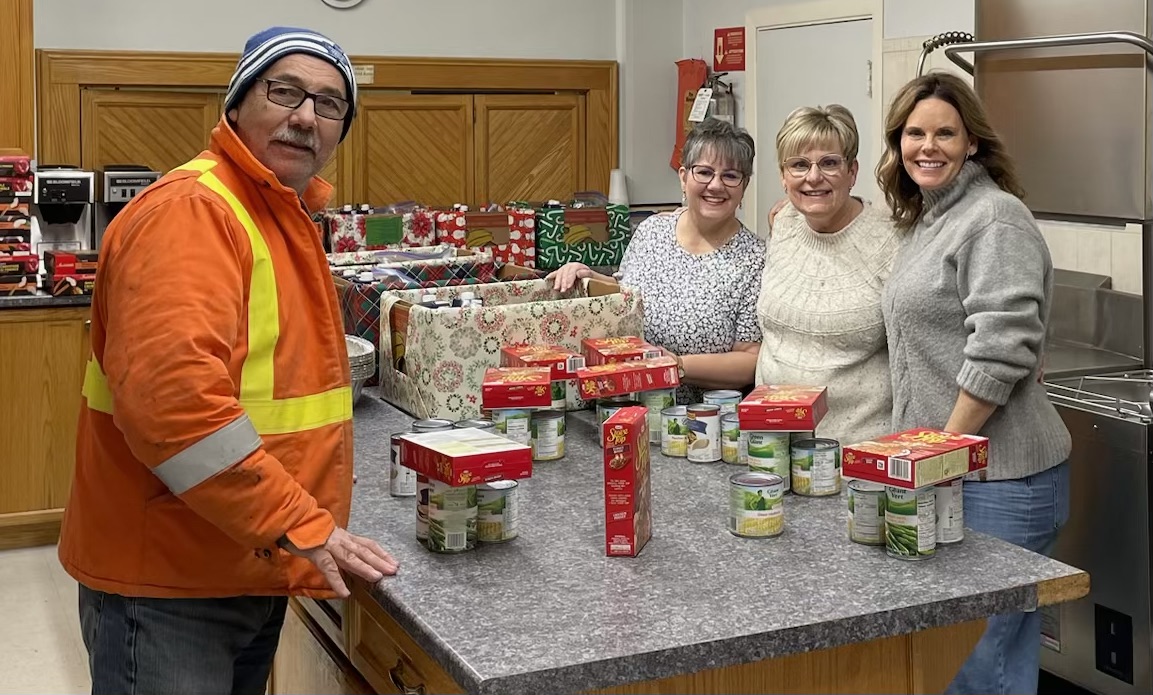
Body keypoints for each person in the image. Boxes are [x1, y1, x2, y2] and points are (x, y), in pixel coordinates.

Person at [57, 27, 398, 695]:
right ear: (236, 104)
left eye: (330, 105)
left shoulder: (277, 214)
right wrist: (299, 520)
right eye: (285, 91)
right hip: (168, 582)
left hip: (239, 555)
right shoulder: (195, 213)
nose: (306, 116)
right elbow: (176, 412)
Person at [876, 72, 1072, 695]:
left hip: (1002, 477)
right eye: (914, 133)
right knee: (966, 656)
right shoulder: (931, 220)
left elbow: (1003, 346)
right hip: (959, 470)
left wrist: (942, 451)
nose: (926, 146)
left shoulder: (992, 217)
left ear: (974, 144)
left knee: (976, 663)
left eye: (945, 133)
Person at [549, 118, 764, 403]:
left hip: (701, 422)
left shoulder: (755, 259)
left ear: (744, 185)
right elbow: (629, 293)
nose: (716, 185)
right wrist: (587, 276)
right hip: (627, 404)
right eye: (704, 172)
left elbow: (750, 361)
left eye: (731, 176)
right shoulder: (653, 231)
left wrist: (677, 365)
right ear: (683, 177)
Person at [756, 105, 900, 444]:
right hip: (771, 444)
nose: (813, 177)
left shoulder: (892, 239)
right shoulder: (784, 224)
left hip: (858, 451)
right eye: (799, 165)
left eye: (830, 163)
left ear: (852, 171)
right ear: (783, 175)